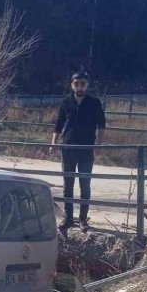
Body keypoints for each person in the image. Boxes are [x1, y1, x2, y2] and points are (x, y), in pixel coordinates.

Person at [51, 71, 106, 231]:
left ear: (87, 85)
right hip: (68, 147)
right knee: (67, 184)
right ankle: (68, 218)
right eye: (76, 84)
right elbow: (58, 124)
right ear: (72, 85)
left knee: (85, 184)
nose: (79, 86)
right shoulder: (65, 102)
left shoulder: (94, 103)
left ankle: (83, 219)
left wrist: (99, 145)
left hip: (86, 148)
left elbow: (101, 125)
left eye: (82, 83)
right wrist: (53, 142)